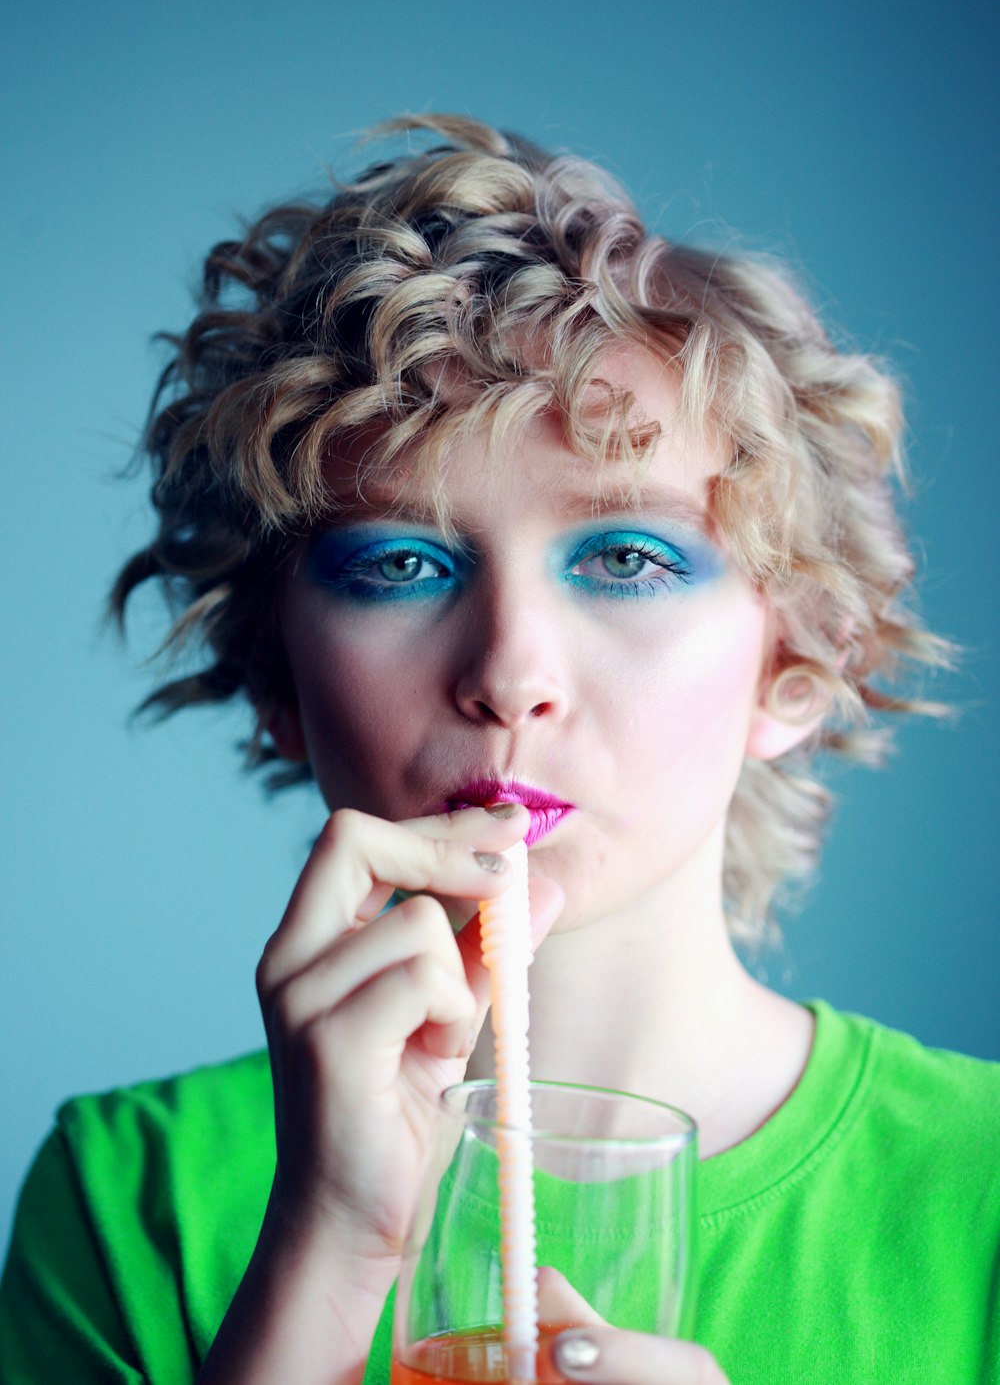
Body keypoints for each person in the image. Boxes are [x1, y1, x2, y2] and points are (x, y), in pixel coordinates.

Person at [1, 114, 996, 1385]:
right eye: (402, 564)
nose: (509, 674)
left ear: (796, 665)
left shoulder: (979, 1191)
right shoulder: (131, 1196)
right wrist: (326, 1260)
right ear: (277, 682)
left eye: (626, 558)